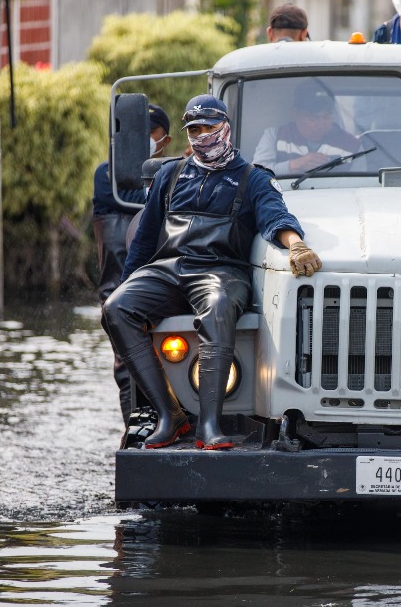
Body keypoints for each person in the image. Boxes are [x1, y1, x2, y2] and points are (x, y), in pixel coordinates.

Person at [102, 95, 323, 450]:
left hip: (222, 272)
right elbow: (144, 242)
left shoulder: (253, 178)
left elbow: (275, 217)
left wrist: (295, 244)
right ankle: (169, 414)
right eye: (194, 129)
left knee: (218, 307)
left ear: (226, 128)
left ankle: (209, 425)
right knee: (116, 308)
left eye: (209, 127)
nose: (202, 136)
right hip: (169, 268)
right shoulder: (169, 174)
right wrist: (130, 283)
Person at [92, 103, 171, 425]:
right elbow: (149, 201)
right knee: (127, 363)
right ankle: (134, 427)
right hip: (119, 289)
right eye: (140, 133)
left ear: (165, 139)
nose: (146, 140)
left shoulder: (174, 172)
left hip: (163, 286)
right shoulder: (106, 173)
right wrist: (156, 195)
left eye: (153, 133)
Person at [253, 80, 361, 175]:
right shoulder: (275, 136)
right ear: (295, 113)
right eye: (313, 118)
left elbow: (361, 184)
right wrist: (295, 165)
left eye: (327, 116)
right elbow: (255, 174)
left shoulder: (352, 145)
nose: (321, 124)